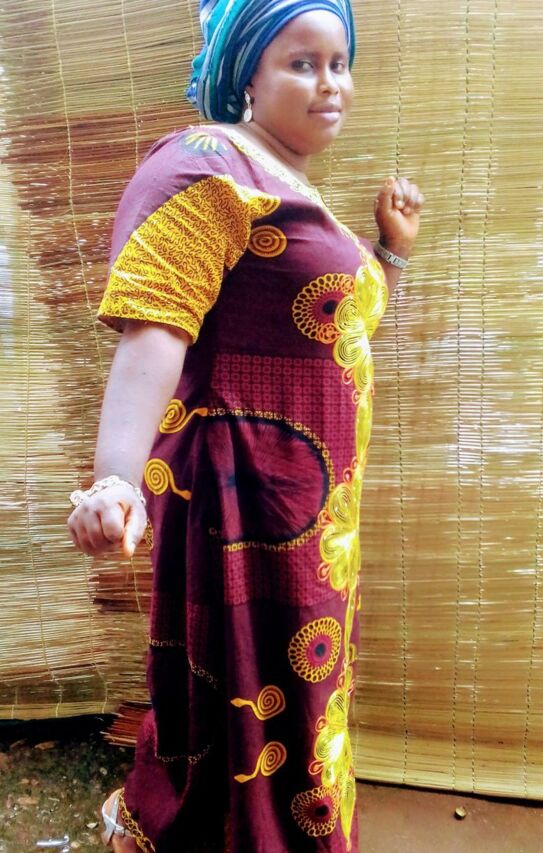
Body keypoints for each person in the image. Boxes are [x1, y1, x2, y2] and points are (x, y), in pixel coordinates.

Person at [67, 1, 423, 850]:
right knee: (244, 692)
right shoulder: (208, 165)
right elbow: (155, 329)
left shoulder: (290, 188)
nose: (330, 84)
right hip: (244, 502)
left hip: (313, 512)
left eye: (339, 63)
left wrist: (390, 252)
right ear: (246, 77)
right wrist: (116, 476)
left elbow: (333, 328)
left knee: (302, 689)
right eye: (302, 63)